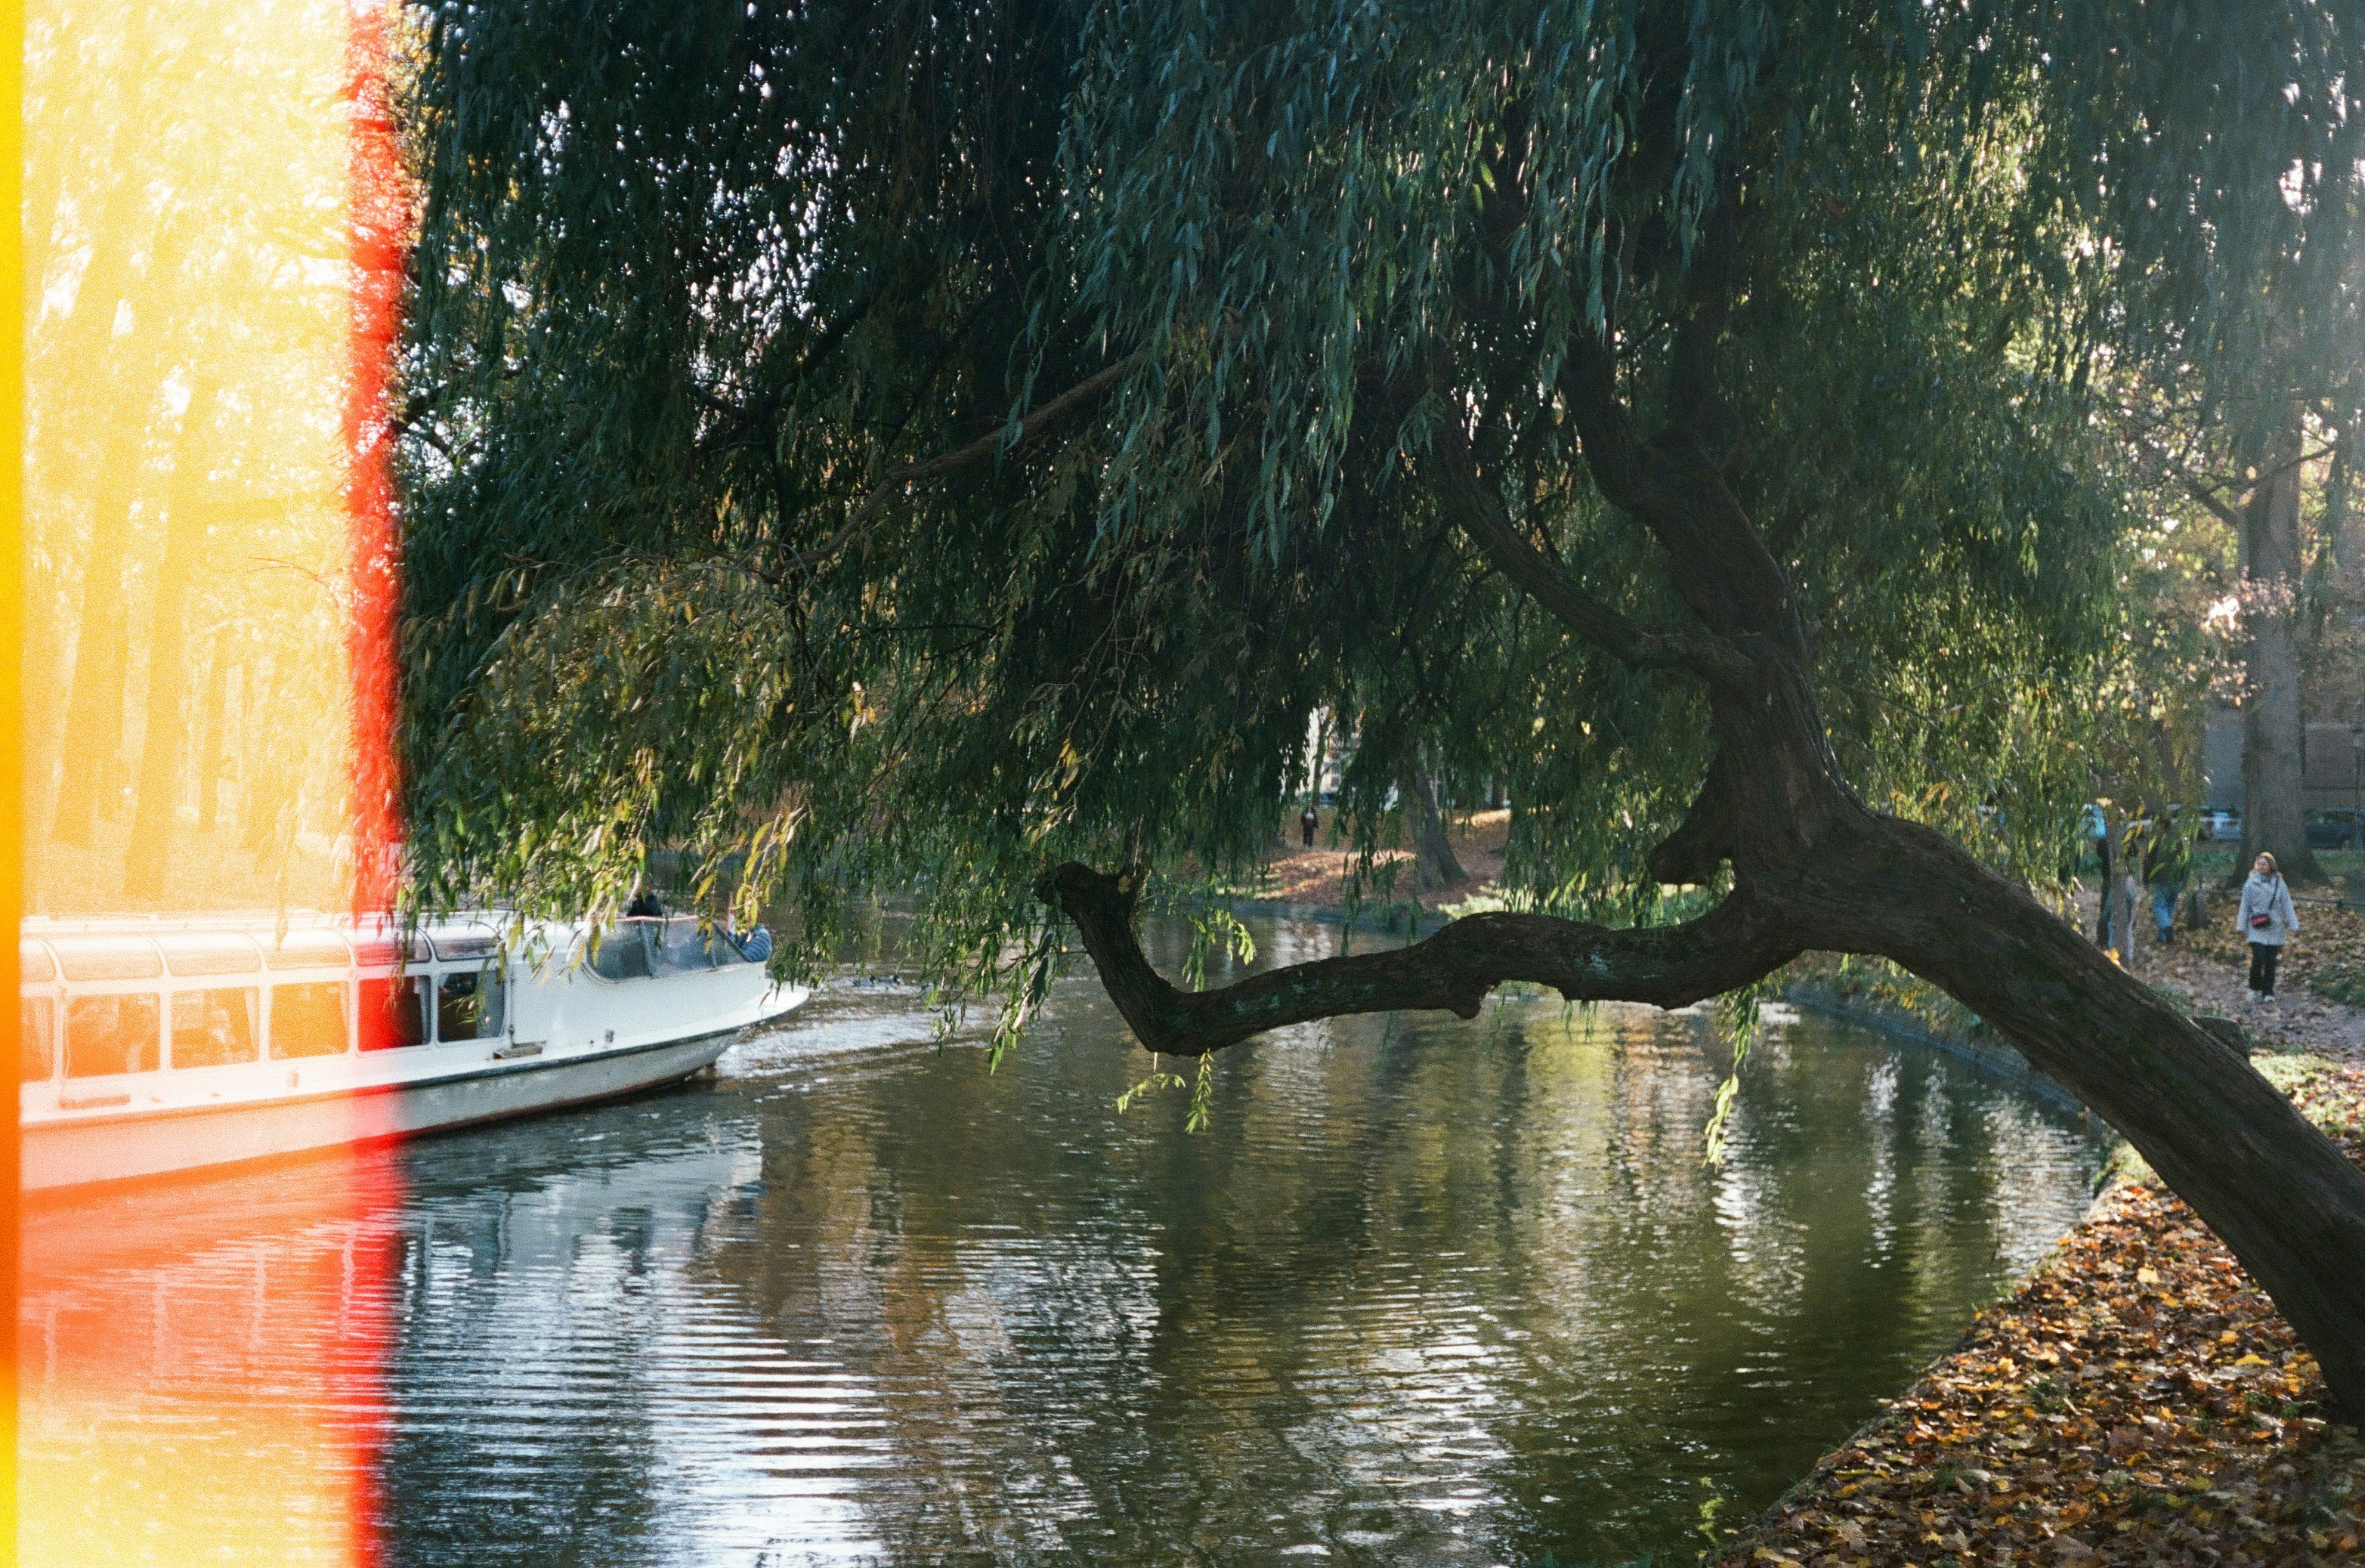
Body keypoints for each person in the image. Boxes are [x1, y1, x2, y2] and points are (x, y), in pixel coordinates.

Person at [2236, 851, 2299, 1004]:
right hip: (2256, 926)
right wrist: (2240, 926)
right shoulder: (2250, 883)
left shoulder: (2279, 883)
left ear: (2271, 866)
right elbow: (2244, 905)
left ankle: (2268, 991)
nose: (2262, 866)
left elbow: (2287, 904)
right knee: (2259, 957)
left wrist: (2294, 924)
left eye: (2265, 864)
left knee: (2271, 961)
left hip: (2275, 926)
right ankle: (2253, 987)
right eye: (2259, 864)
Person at [2146, 817, 2190, 946]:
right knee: (2169, 905)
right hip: (2176, 879)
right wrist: (2183, 878)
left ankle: (2166, 927)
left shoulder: (2157, 842)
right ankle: (2163, 936)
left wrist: (2146, 879)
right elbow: (2185, 861)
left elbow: (2148, 862)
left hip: (2160, 878)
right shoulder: (2180, 841)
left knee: (2159, 905)